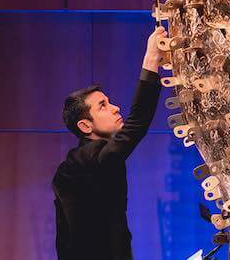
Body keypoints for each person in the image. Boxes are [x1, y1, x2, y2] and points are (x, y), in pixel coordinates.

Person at [52, 26, 166, 260]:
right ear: (85, 126)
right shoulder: (89, 160)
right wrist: (151, 59)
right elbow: (136, 126)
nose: (115, 108)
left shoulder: (76, 166)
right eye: (103, 105)